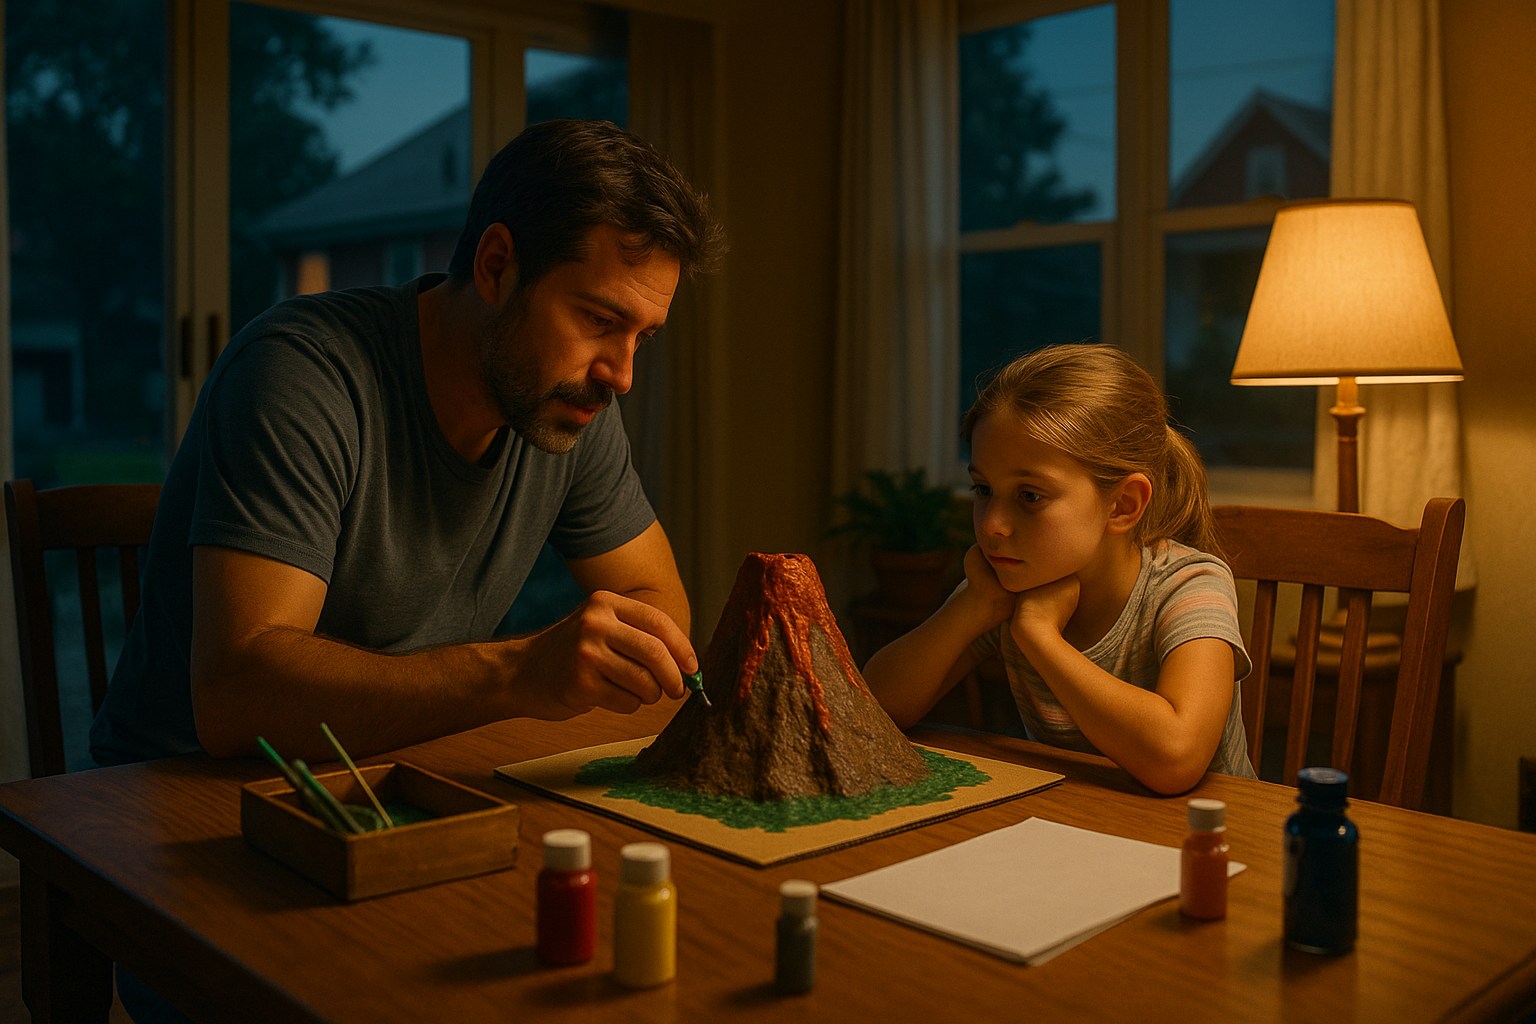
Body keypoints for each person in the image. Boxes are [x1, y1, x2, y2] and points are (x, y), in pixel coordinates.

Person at [90, 119, 727, 769]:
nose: (621, 375)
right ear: (496, 266)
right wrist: (515, 673)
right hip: (182, 785)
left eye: (642, 337)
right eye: (599, 319)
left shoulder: (563, 400)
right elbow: (236, 699)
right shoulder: (302, 374)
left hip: (400, 770)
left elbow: (657, 606)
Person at [863, 344, 1256, 794]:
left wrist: (1040, 637)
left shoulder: (1190, 586)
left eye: (1030, 496)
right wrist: (973, 605)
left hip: (1211, 830)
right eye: (983, 489)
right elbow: (871, 709)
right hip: (1075, 820)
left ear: (1123, 505)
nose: (992, 525)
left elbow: (1176, 759)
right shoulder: (1005, 586)